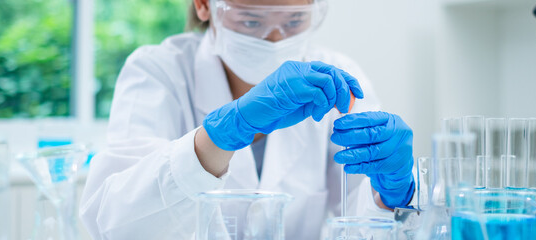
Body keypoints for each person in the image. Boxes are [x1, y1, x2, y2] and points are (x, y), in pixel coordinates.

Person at [79, 0, 415, 239]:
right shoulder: (157, 72)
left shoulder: (340, 78)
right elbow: (114, 222)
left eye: (295, 20)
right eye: (251, 21)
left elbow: (363, 224)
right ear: (203, 5)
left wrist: (390, 195)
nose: (275, 39)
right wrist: (218, 137)